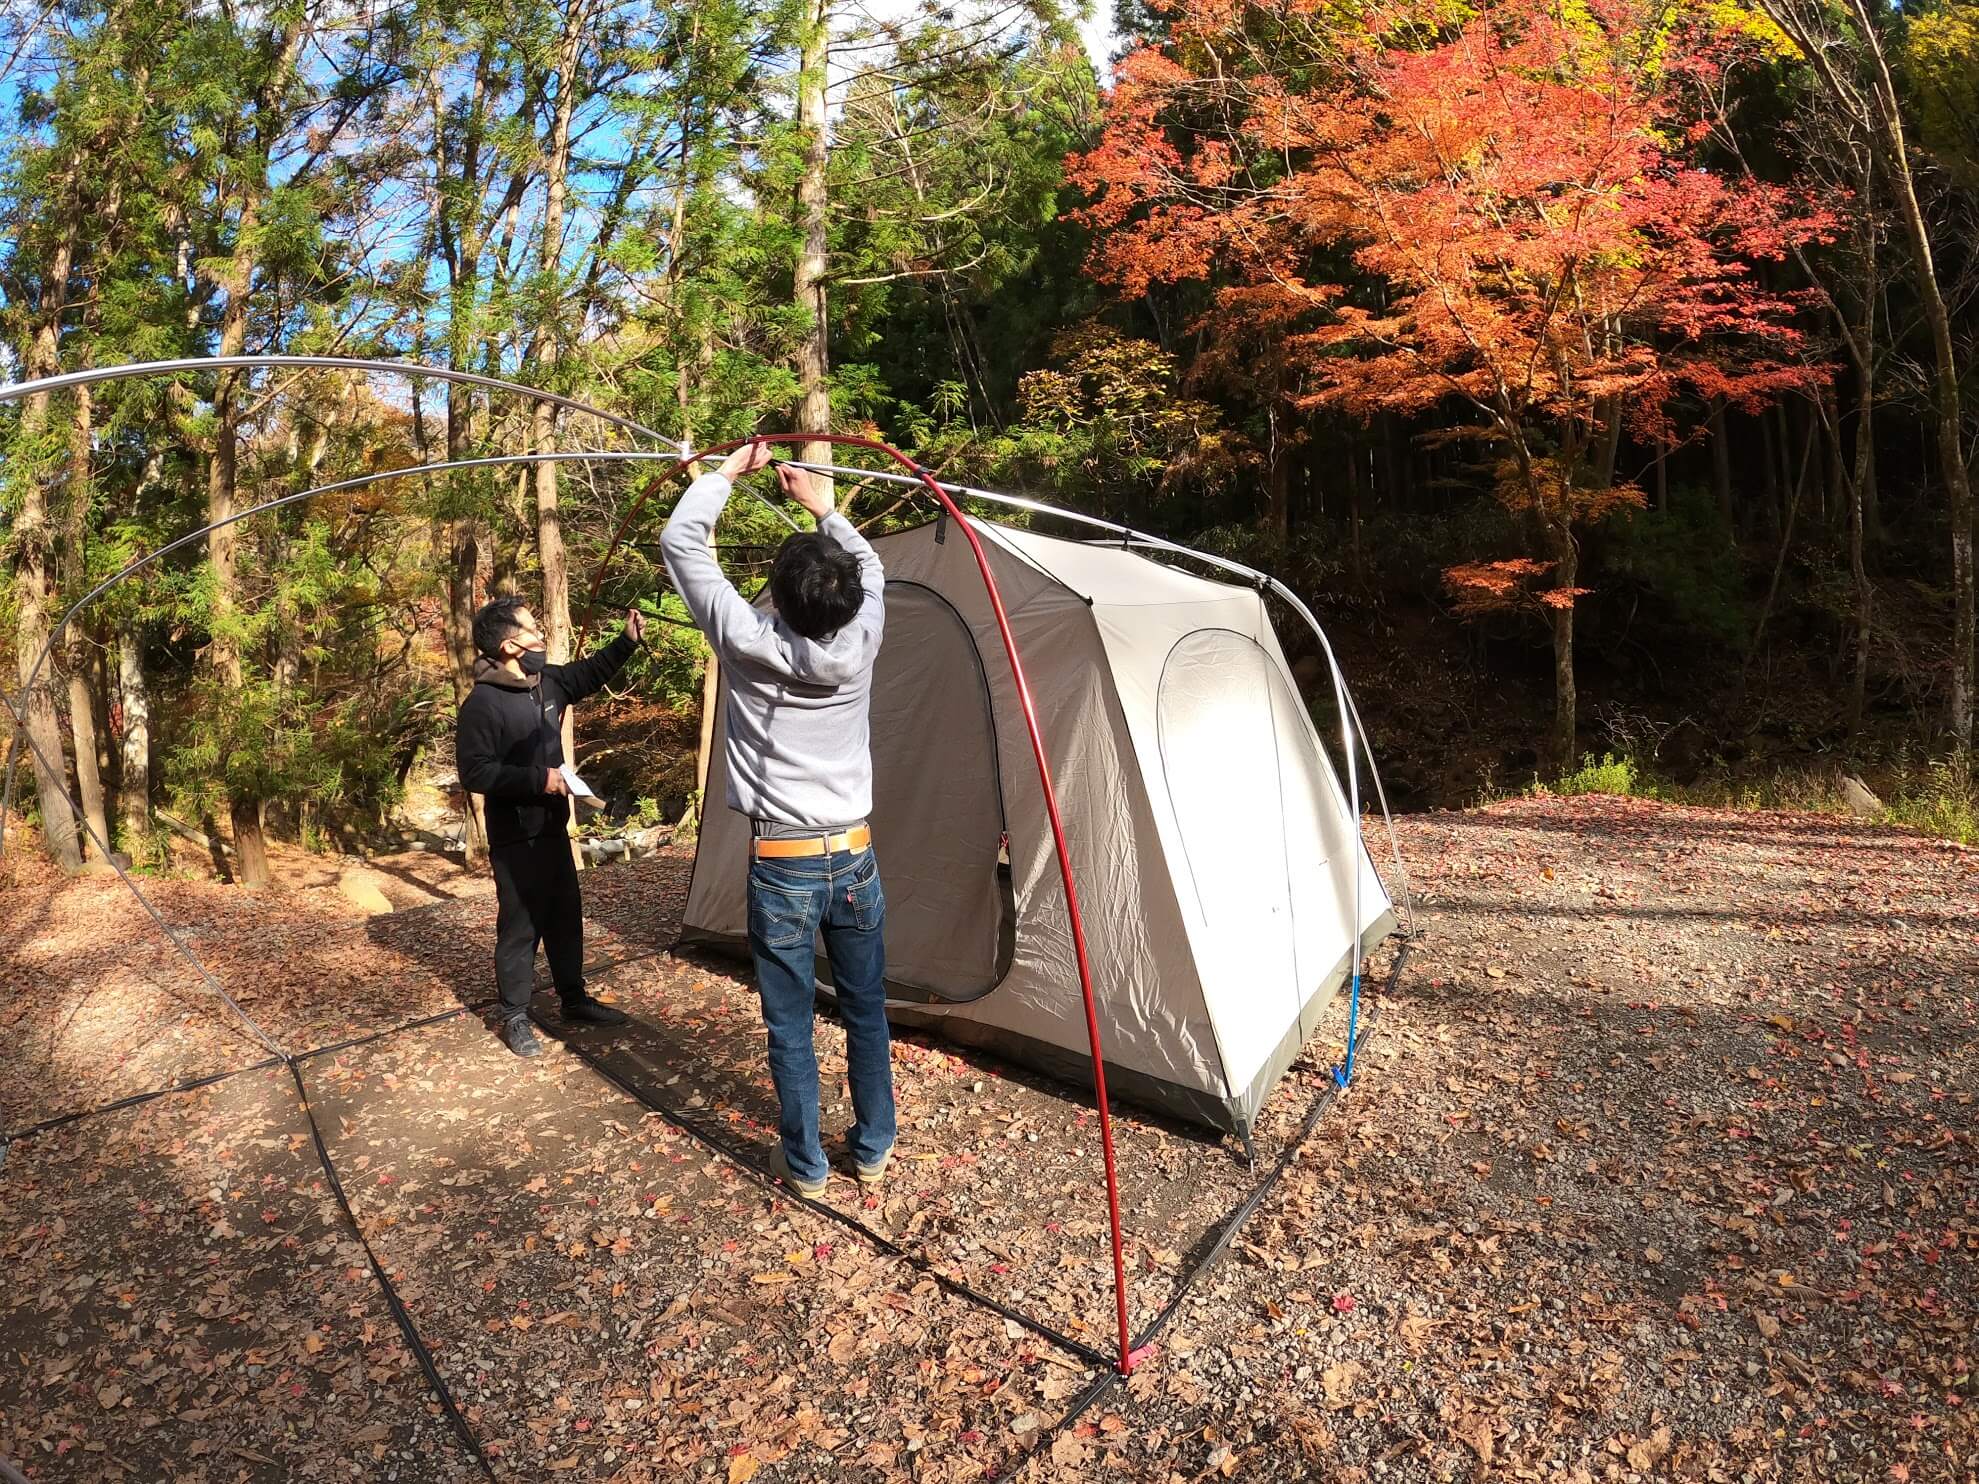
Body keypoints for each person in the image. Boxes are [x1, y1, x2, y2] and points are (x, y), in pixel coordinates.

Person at [661, 442, 894, 1198]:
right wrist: (823, 507)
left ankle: (807, 1165)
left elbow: (681, 543)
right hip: (854, 857)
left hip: (784, 862)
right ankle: (873, 1146)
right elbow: (873, 568)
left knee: (791, 1023)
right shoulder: (864, 635)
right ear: (846, 600)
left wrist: (726, 475)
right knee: (864, 1009)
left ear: (780, 599)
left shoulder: (747, 639)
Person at [455, 597, 644, 1058]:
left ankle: (573, 1000)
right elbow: (475, 772)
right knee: (520, 926)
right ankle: (515, 1015)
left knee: (564, 916)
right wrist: (540, 779)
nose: (540, 636)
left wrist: (626, 642)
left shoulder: (548, 682)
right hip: (515, 836)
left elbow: (591, 673)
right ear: (510, 645)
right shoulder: (483, 703)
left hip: (555, 828)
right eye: (531, 629)